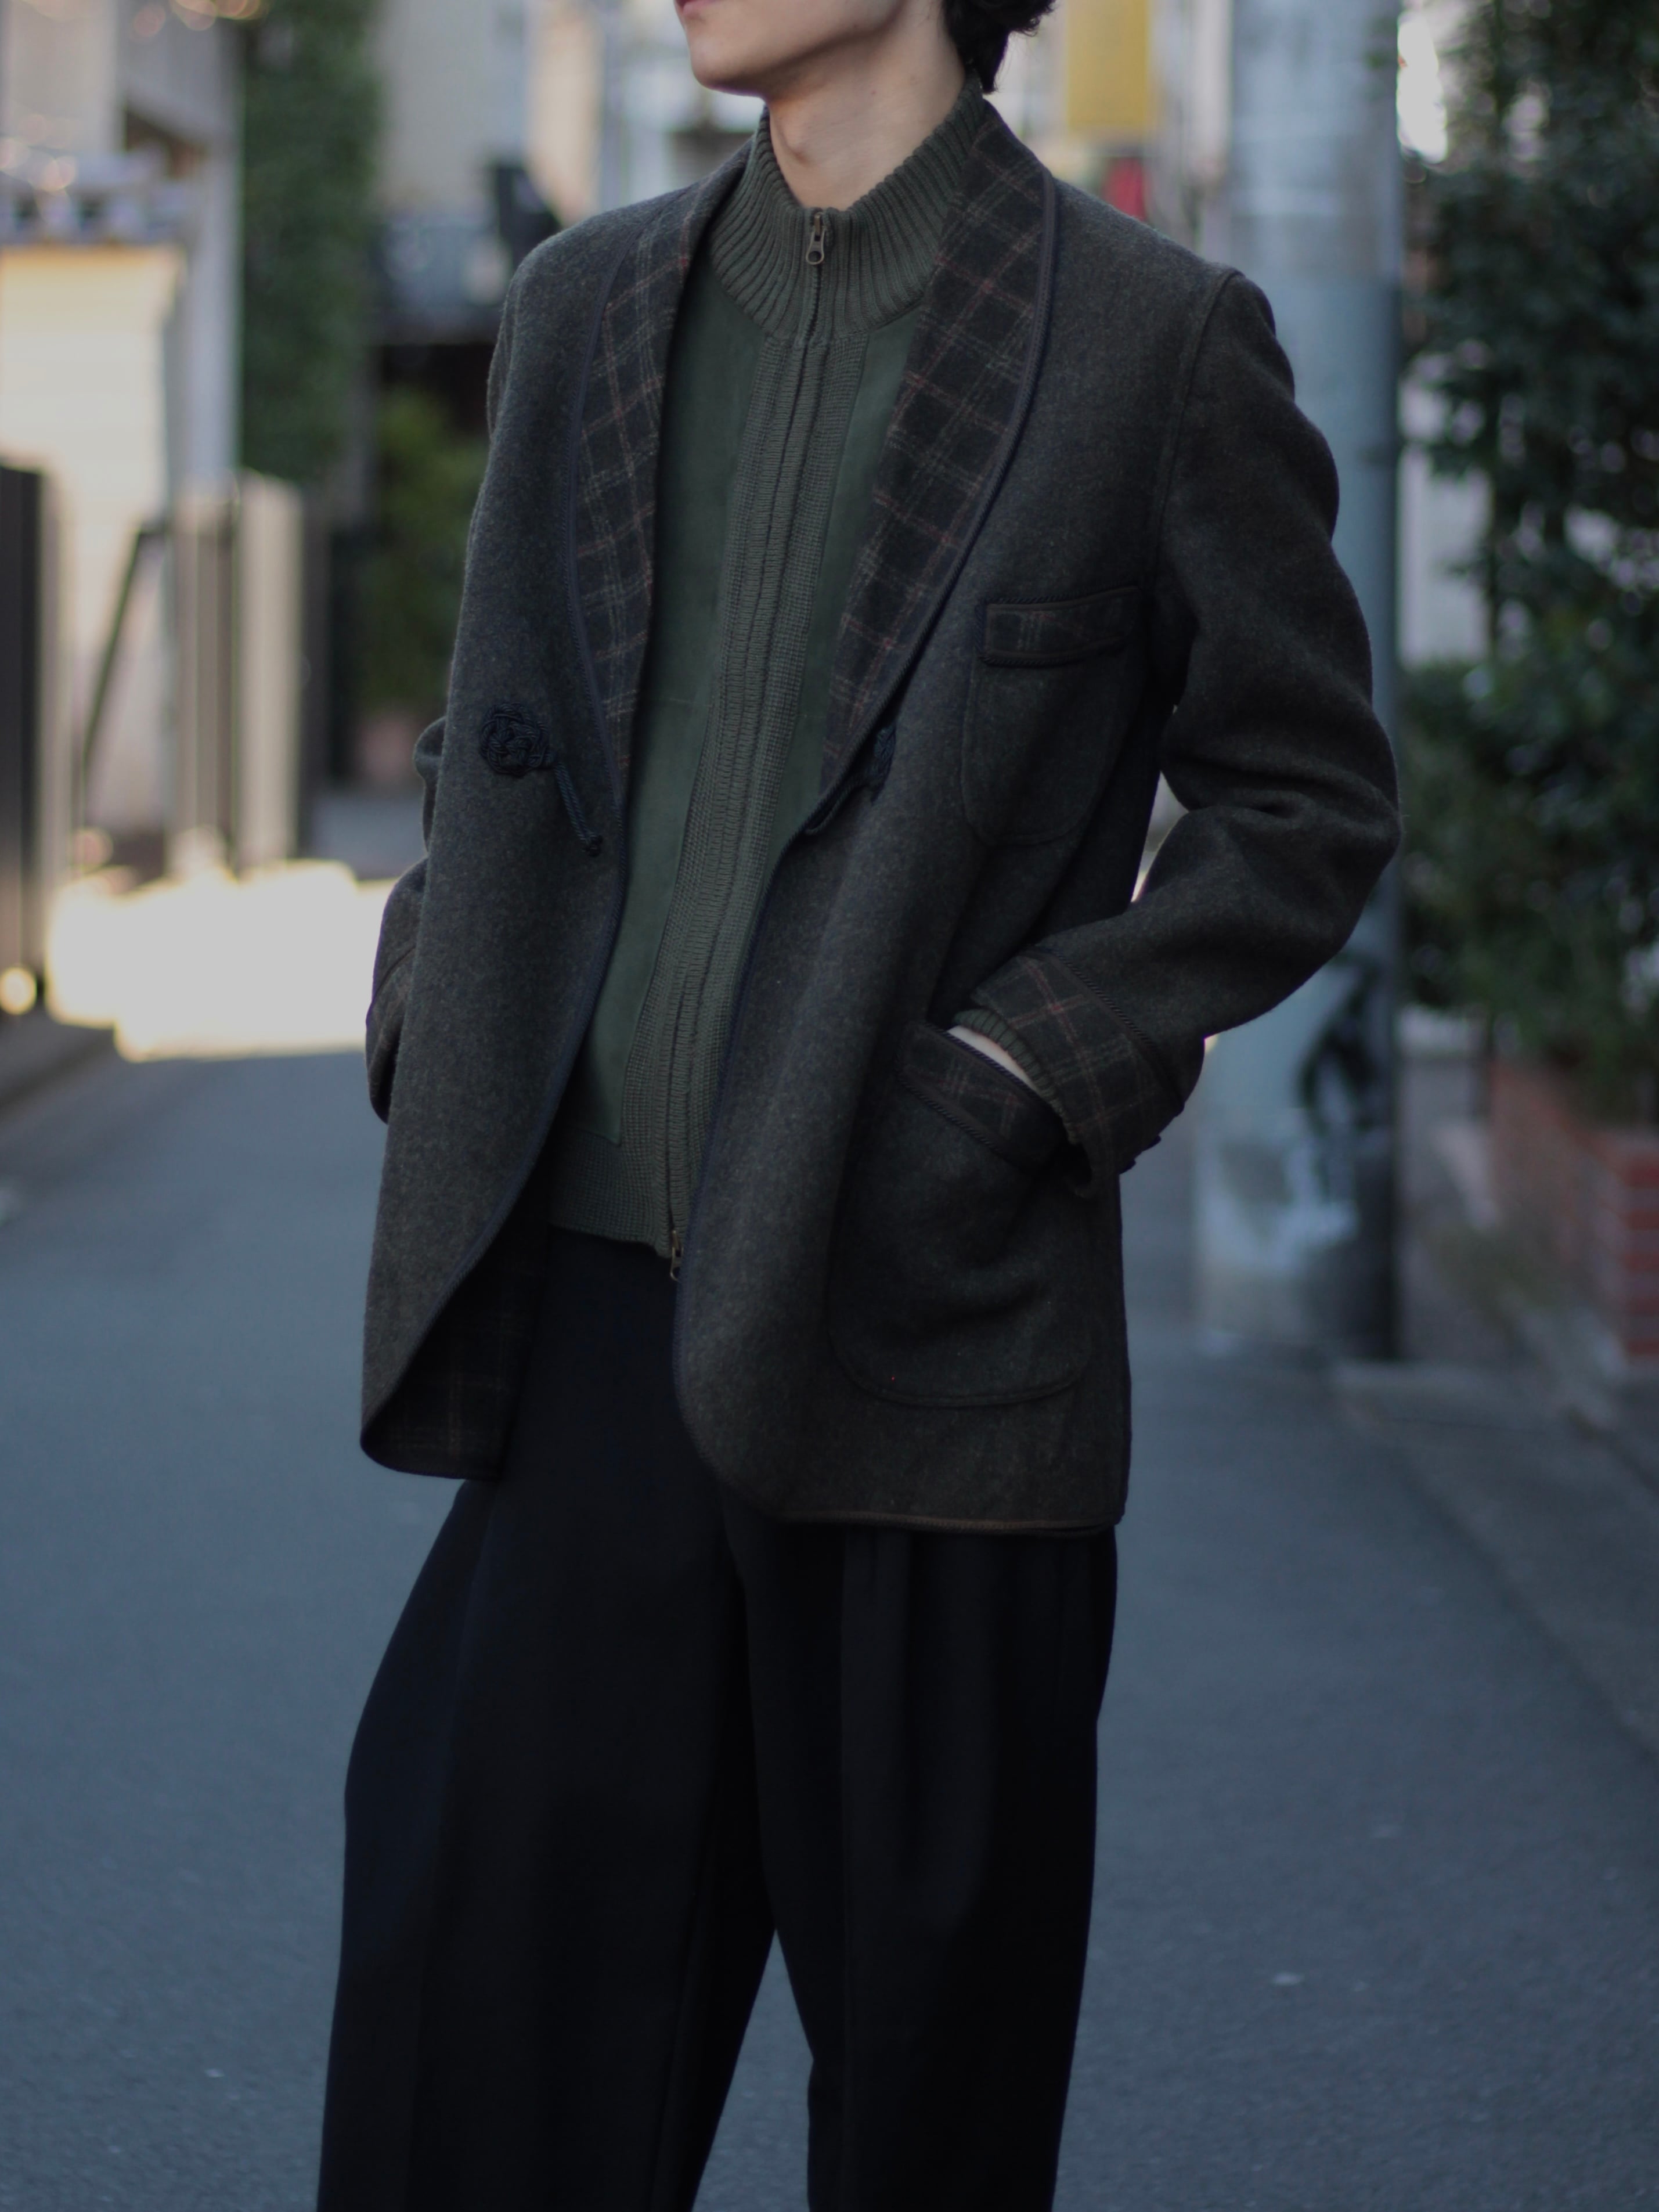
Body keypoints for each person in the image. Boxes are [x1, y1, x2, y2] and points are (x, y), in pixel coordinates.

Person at [316, 0, 1400, 2204]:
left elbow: (1300, 801)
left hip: (926, 1342)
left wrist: (1014, 1081)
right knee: (468, 2070)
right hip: (584, 1319)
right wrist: (438, 985)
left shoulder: (1150, 340)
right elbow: (495, 723)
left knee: (926, 2111)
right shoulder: (584, 300)